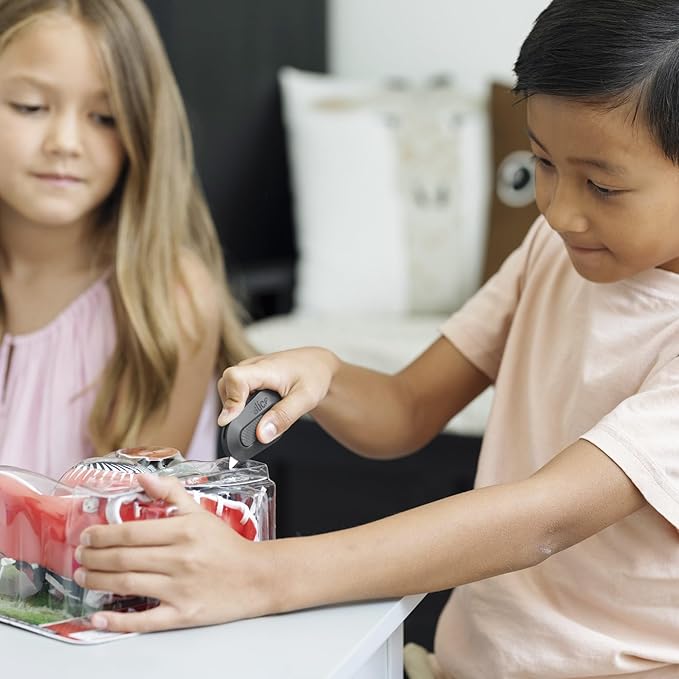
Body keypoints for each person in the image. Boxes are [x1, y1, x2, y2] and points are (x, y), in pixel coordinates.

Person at [74, 0, 679, 676]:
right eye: (541, 162)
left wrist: (261, 575)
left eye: (601, 185)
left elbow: (543, 519)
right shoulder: (552, 250)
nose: (561, 210)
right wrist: (327, 374)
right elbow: (405, 409)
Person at [0, 0, 250, 478]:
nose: (65, 142)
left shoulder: (167, 303)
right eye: (30, 107)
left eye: (105, 117)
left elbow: (124, 513)